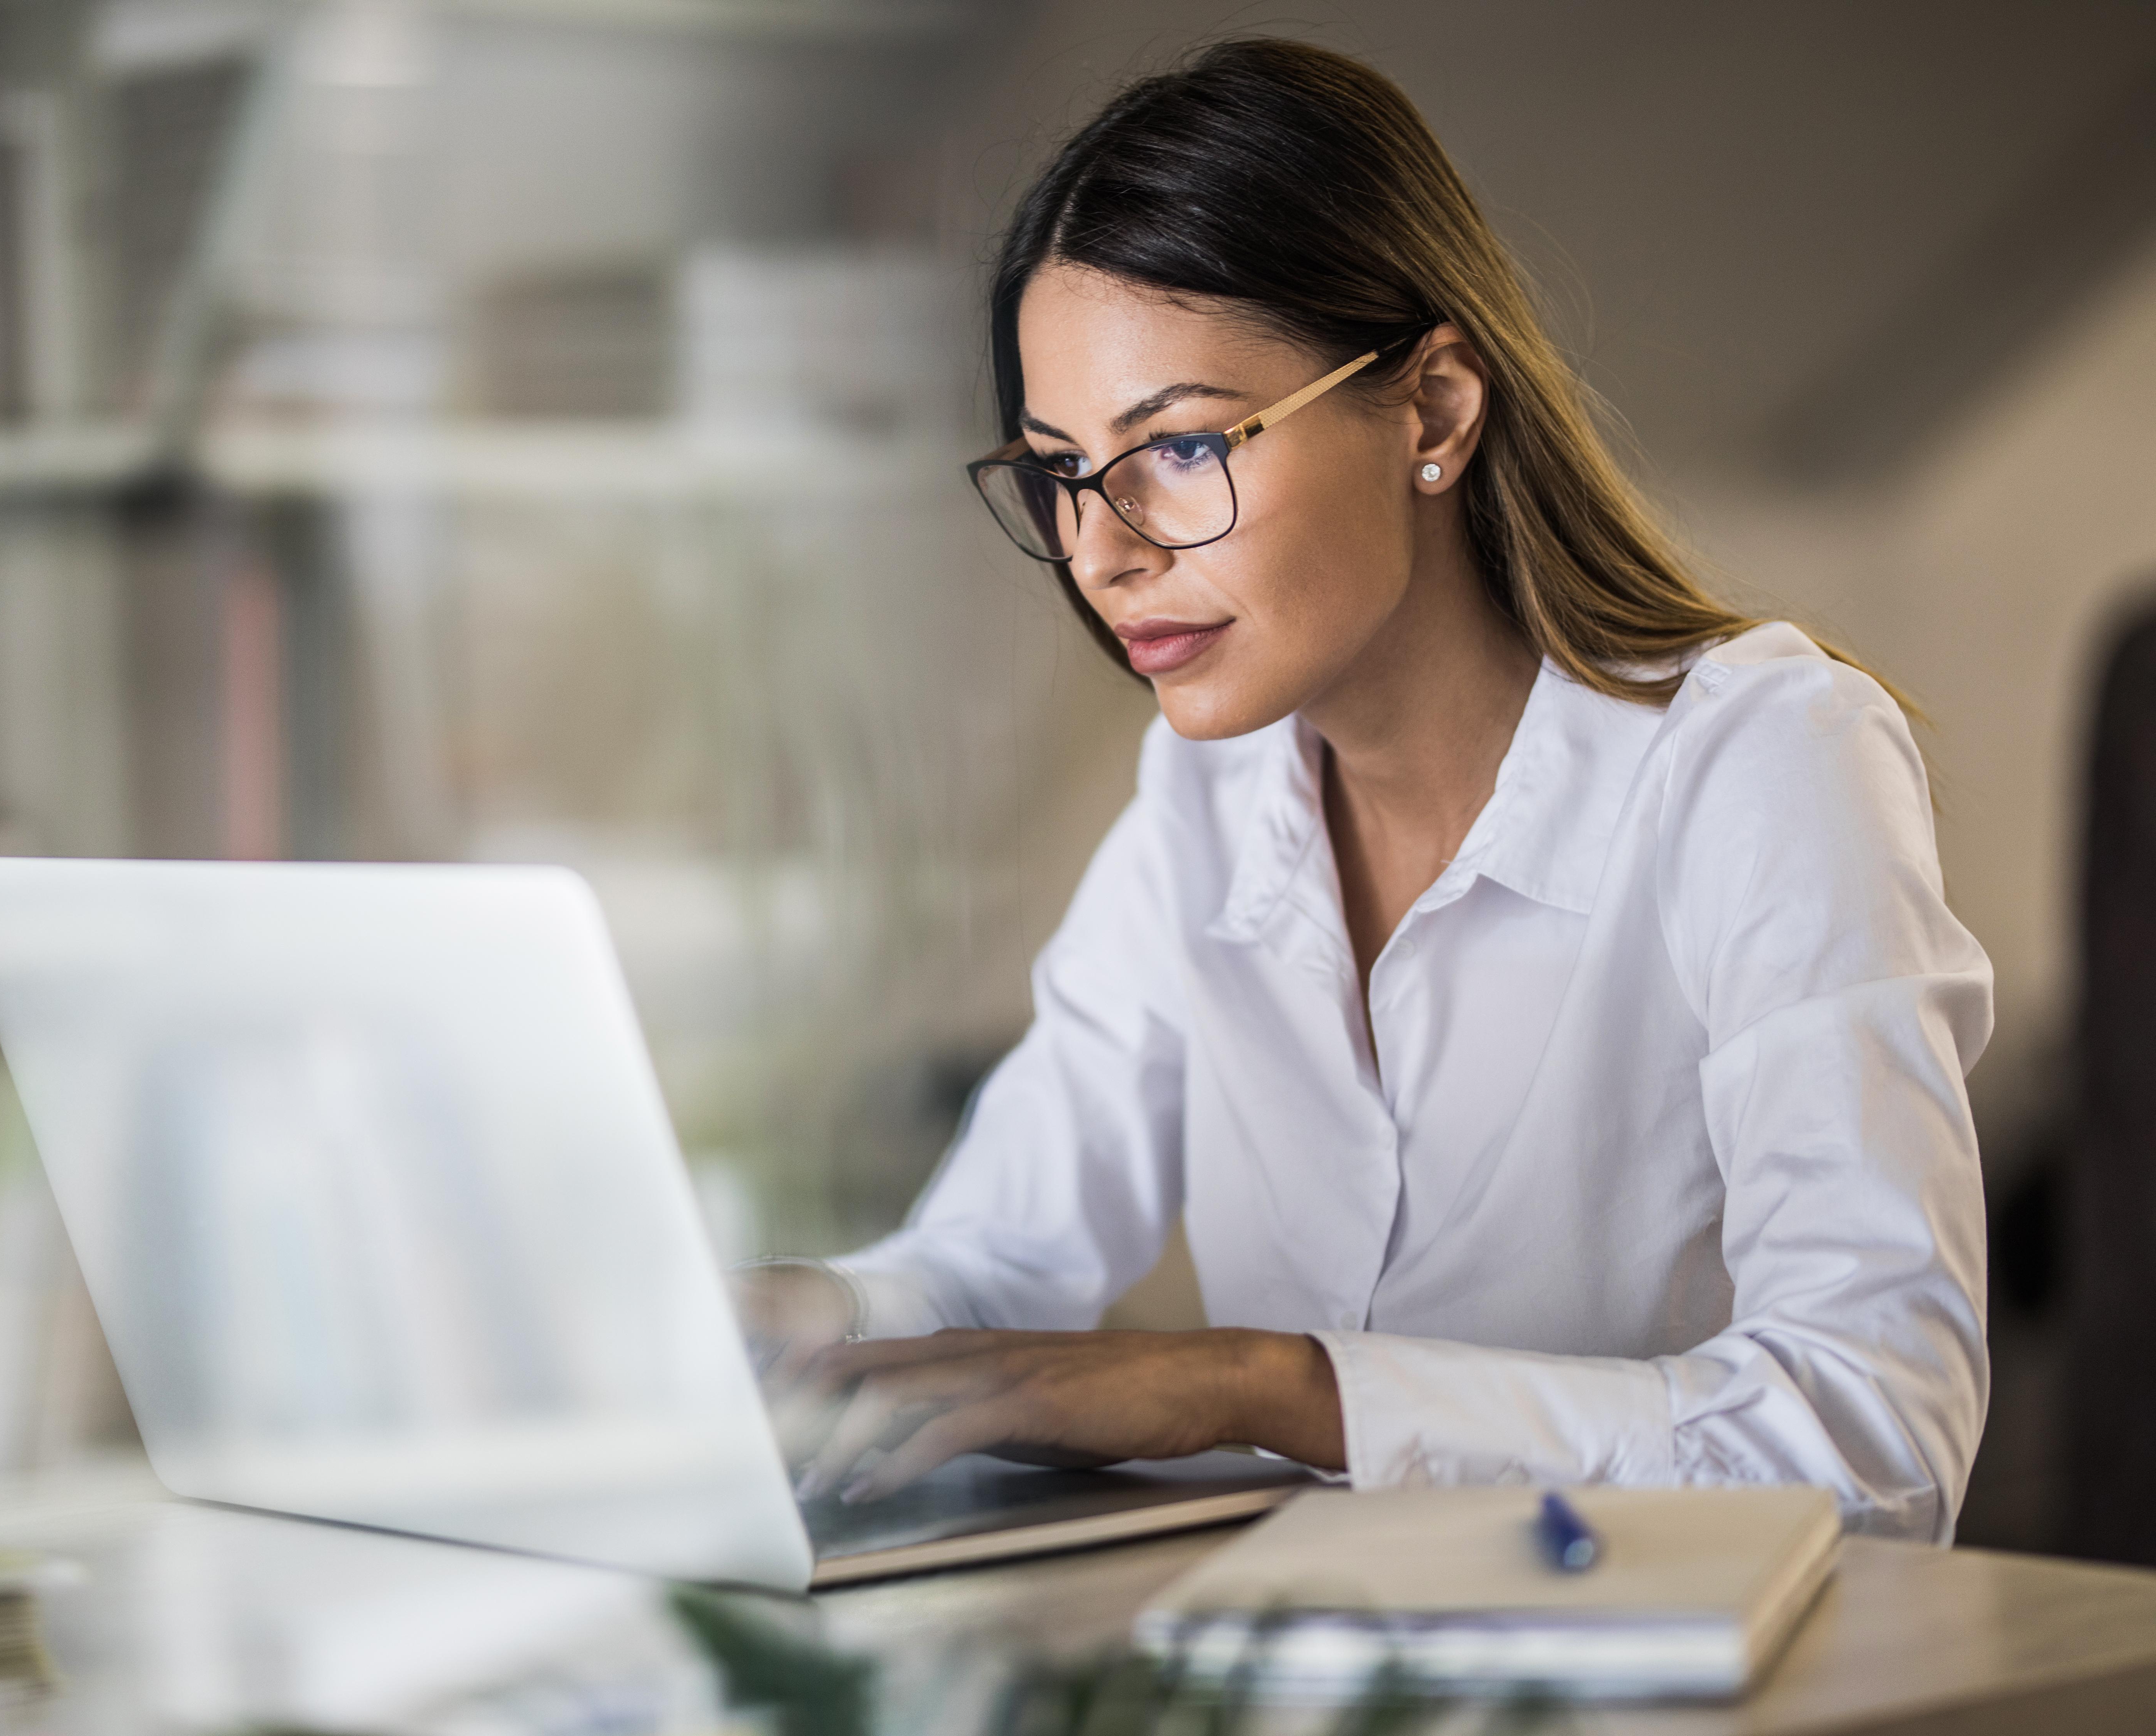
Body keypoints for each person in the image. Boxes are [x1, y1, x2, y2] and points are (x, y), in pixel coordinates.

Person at [737, 38, 1990, 1543]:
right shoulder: (1208, 802)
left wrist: (1275, 1388)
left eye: (1182, 447)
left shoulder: (1764, 758)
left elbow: (1878, 1437)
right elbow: (1004, 1258)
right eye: (1064, 471)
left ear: (1436, 412)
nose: (1105, 551)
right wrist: (795, 1316)